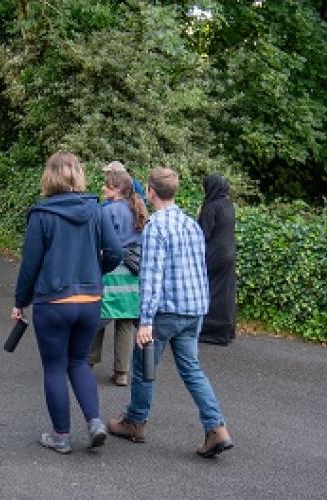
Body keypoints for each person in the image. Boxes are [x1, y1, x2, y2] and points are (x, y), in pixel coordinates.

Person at [107, 167, 233, 458]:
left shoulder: (156, 226)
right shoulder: (190, 224)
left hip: (164, 313)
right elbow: (200, 269)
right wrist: (201, 308)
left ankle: (135, 422)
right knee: (191, 369)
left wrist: (146, 321)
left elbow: (152, 276)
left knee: (144, 366)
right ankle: (216, 428)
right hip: (194, 310)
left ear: (150, 192)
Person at [12, 151, 122, 454]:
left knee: (54, 367)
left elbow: (30, 265)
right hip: (89, 301)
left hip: (53, 302)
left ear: (49, 176)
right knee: (78, 363)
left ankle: (61, 436)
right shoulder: (96, 210)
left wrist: (20, 301)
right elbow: (115, 252)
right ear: (78, 174)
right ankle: (95, 421)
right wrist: (94, 274)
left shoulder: (41, 214)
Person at [88, 170, 148, 386]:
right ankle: (122, 372)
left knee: (99, 316)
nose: (103, 188)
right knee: (124, 321)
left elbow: (100, 241)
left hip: (111, 270)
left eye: (107, 185)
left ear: (117, 189)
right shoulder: (137, 208)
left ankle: (88, 361)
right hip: (133, 273)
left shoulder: (108, 210)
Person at [197, 175, 236, 346]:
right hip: (228, 253)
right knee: (225, 293)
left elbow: (202, 233)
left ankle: (211, 330)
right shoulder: (228, 205)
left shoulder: (211, 208)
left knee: (210, 290)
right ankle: (226, 329)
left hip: (214, 254)